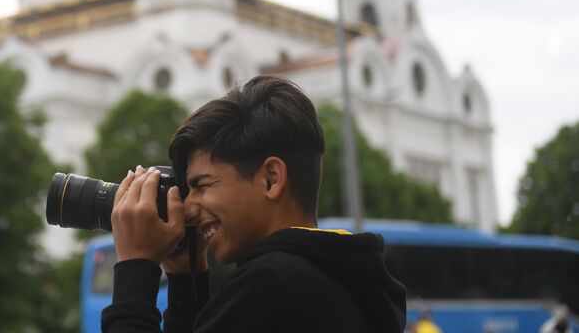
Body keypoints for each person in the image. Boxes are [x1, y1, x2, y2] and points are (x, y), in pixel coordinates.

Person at [102, 75, 406, 332]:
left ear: (271, 179)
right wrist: (186, 278)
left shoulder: (268, 283)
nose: (189, 209)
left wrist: (136, 265)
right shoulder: (347, 278)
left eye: (202, 185)